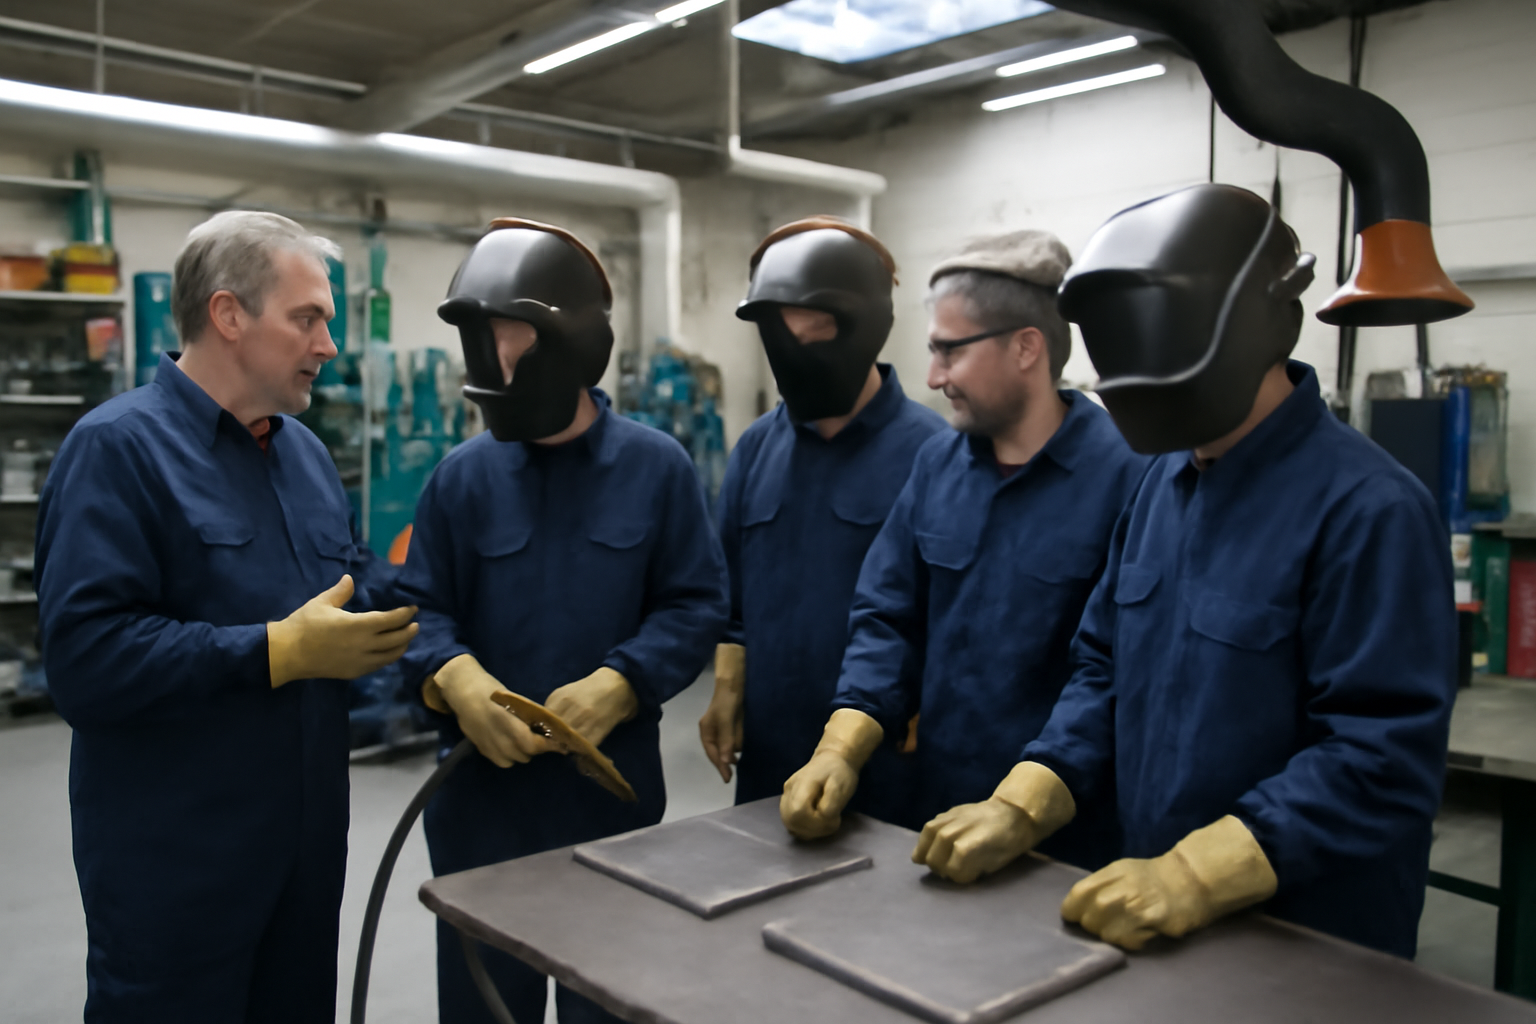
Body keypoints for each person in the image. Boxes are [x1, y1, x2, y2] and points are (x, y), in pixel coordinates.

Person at [912, 184, 1455, 959]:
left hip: (1308, 942)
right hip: (1158, 918)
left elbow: (1381, 754)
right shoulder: (1161, 485)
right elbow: (1103, 668)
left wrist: (1201, 873)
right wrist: (1025, 799)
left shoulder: (1370, 510)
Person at [36, 211, 417, 1023]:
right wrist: (273, 651)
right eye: (308, 318)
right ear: (229, 314)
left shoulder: (306, 456)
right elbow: (85, 661)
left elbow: (356, 588)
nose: (327, 345)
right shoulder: (117, 450)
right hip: (177, 878)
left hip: (305, 867)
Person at [398, 218, 729, 1024]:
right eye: (481, 342)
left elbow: (697, 603)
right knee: (483, 1009)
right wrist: (456, 678)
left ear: (571, 343)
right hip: (480, 808)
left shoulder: (657, 469)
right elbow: (419, 608)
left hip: (607, 805)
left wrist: (625, 681)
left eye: (509, 340)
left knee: (604, 1005)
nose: (492, 364)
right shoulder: (459, 479)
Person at [779, 230, 1148, 864]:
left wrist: (1022, 807)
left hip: (1068, 835)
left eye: (951, 351)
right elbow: (886, 619)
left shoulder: (1131, 476)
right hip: (937, 812)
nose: (933, 375)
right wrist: (841, 746)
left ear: (1026, 347)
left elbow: (1116, 672)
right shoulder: (937, 467)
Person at [699, 217, 946, 819]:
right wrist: (729, 682)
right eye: (780, 332)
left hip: (887, 759)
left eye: (815, 329)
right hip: (770, 758)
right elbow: (727, 595)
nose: (795, 348)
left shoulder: (936, 455)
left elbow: (955, 606)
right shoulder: (757, 448)